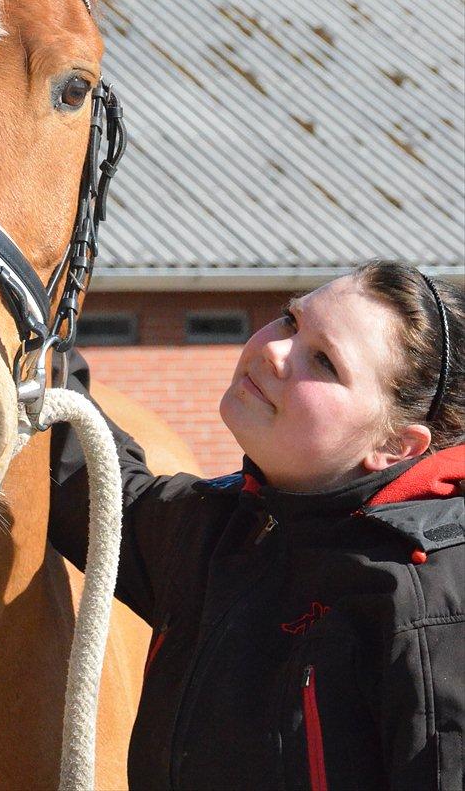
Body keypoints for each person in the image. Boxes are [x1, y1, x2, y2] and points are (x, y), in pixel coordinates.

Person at [49, 260, 464, 791]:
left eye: (324, 361)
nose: (273, 350)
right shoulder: (221, 529)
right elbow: (96, 485)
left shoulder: (435, 602)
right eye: (292, 320)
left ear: (393, 446)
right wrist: (26, 331)